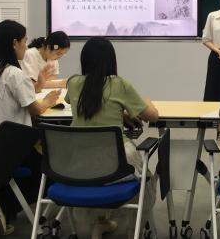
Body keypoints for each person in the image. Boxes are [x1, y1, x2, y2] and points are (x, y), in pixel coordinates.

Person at [64, 37, 159, 239]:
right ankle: (136, 228)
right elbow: (152, 116)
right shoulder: (119, 85)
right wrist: (146, 101)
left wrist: (118, 114)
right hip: (116, 164)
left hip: (78, 166)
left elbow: (78, 103)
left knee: (97, 175)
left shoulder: (73, 83)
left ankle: (102, 223)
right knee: (146, 179)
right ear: (111, 60)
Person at [0, 20, 61, 236]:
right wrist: (49, 100)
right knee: (53, 168)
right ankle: (2, 207)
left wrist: (39, 86)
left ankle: (0, 205)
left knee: (40, 162)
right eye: (24, 41)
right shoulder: (14, 73)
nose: (26, 45)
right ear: (14, 43)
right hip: (9, 146)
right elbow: (35, 109)